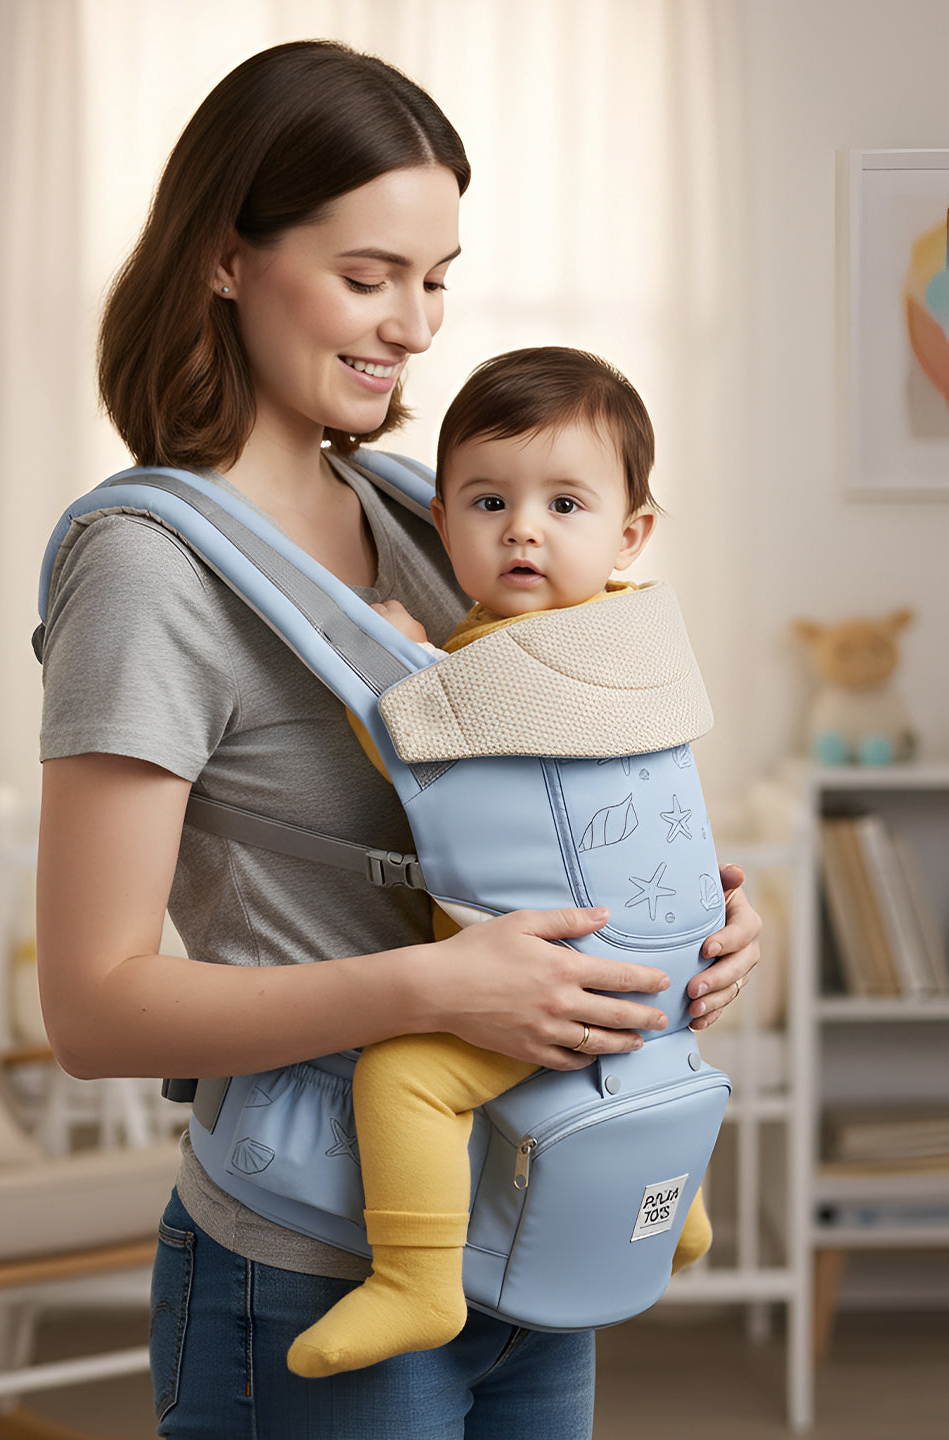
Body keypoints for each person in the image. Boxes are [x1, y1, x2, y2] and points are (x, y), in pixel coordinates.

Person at [35, 40, 761, 1440]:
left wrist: (718, 926)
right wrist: (443, 990)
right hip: (305, 1266)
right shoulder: (150, 570)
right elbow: (93, 1006)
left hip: (530, 1227)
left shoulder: (434, 512)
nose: (418, 327)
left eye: (437, 281)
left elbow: (567, 788)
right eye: (370, 278)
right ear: (226, 258)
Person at [287, 346, 717, 1379]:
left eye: (565, 504)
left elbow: (430, 759)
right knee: (650, 1057)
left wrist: (388, 668)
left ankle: (414, 1280)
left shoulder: (482, 668)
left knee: (407, 1076)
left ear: (632, 531)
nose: (522, 527)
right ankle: (679, 1205)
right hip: (672, 968)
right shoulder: (632, 645)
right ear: (442, 525)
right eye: (488, 501)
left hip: (557, 975)